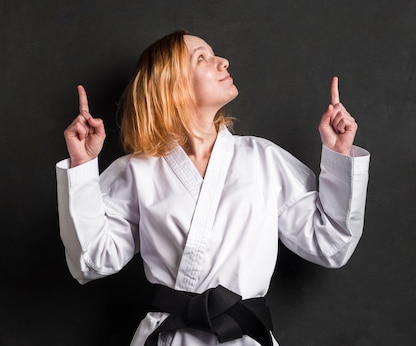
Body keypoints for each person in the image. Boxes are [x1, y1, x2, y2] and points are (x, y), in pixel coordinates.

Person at [56, 30, 370, 346]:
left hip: (243, 335)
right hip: (170, 337)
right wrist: (82, 165)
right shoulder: (137, 170)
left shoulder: (263, 159)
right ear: (172, 84)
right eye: (202, 58)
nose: (223, 61)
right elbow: (92, 260)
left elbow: (331, 243)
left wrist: (338, 154)